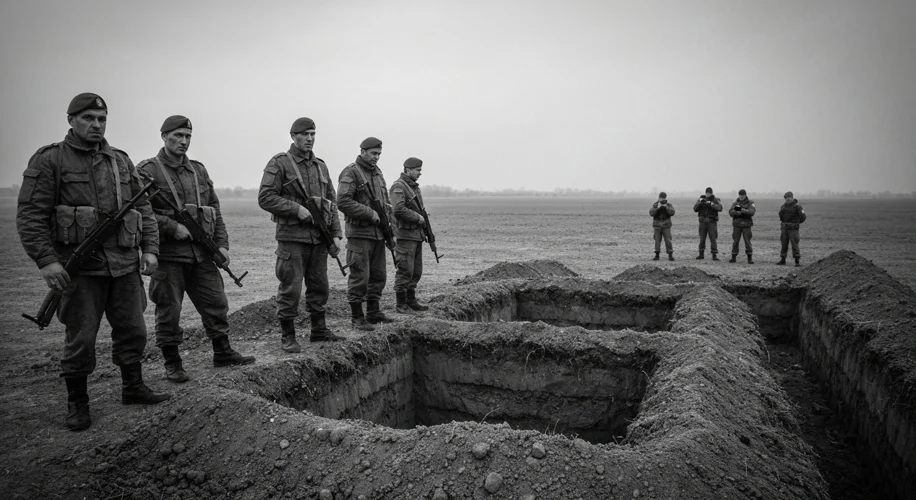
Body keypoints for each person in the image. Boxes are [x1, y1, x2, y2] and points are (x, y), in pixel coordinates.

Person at [16, 93, 170, 431]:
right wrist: (46, 261)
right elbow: (31, 215)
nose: (96, 124)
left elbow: (143, 209)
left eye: (101, 118)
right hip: (81, 269)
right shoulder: (50, 160)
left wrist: (150, 249)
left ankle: (133, 387)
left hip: (124, 265)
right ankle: (78, 403)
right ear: (71, 120)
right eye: (88, 118)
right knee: (81, 337)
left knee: (134, 331)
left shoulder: (121, 161)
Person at [138, 115, 255, 382]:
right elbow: (138, 212)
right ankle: (172, 362)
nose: (183, 141)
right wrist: (171, 227)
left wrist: (222, 246)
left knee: (216, 302)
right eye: (178, 136)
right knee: (169, 308)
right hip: (169, 256)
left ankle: (222, 351)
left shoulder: (198, 171)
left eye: (188, 136)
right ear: (164, 136)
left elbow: (215, 210)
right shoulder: (148, 170)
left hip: (202, 254)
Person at [258, 117, 345, 351]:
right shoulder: (280, 163)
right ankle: (288, 336)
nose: (309, 138)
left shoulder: (320, 166)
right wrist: (297, 210)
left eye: (313, 134)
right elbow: (265, 197)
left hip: (319, 238)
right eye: (304, 134)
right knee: (291, 287)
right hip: (292, 239)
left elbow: (331, 202)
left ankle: (319, 330)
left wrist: (336, 234)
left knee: (320, 286)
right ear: (293, 136)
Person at [337, 137, 395, 330]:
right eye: (373, 153)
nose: (376, 157)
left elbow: (386, 204)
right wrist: (370, 213)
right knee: (360, 276)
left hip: (378, 234)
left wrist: (390, 230)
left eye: (379, 154)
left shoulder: (378, 173)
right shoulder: (351, 172)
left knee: (379, 276)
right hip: (360, 235)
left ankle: (373, 311)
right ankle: (357, 317)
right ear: (363, 152)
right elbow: (343, 202)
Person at [390, 157, 431, 313]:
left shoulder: (414, 187)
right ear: (408, 170)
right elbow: (398, 209)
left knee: (416, 271)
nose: (420, 173)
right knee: (405, 270)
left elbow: (420, 210)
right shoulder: (399, 187)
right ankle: (401, 304)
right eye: (418, 170)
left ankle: (411, 300)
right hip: (405, 236)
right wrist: (417, 218)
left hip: (415, 236)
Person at [777, 191, 806, 267]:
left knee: (795, 245)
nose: (787, 199)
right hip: (785, 228)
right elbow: (781, 216)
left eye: (789, 197)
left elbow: (803, 217)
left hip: (793, 229)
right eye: (786, 198)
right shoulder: (783, 206)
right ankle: (783, 260)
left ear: (792, 197)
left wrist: (796, 223)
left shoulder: (798, 207)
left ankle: (797, 261)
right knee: (784, 244)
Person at [693, 187, 722, 260]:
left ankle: (714, 255)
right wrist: (700, 202)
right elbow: (695, 209)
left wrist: (712, 204)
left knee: (713, 238)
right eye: (707, 193)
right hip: (703, 222)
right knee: (702, 238)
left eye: (709, 193)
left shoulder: (715, 200)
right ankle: (701, 254)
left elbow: (720, 208)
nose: (708, 194)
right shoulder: (702, 199)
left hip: (712, 222)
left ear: (712, 193)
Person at [728, 188, 756, 264]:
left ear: (745, 195)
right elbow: (730, 212)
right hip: (737, 225)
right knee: (735, 241)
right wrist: (737, 213)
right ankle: (733, 257)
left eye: (743, 195)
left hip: (746, 225)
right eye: (740, 195)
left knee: (747, 241)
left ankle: (749, 258)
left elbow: (752, 212)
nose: (741, 197)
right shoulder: (735, 203)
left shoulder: (750, 202)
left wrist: (741, 210)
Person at [649, 192, 675, 261]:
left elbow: (672, 213)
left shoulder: (668, 205)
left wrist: (666, 207)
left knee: (668, 240)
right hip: (657, 226)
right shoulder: (655, 204)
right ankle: (657, 255)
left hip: (666, 225)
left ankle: (670, 255)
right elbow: (651, 213)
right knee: (657, 241)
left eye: (663, 199)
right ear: (659, 198)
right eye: (661, 198)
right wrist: (658, 208)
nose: (662, 200)